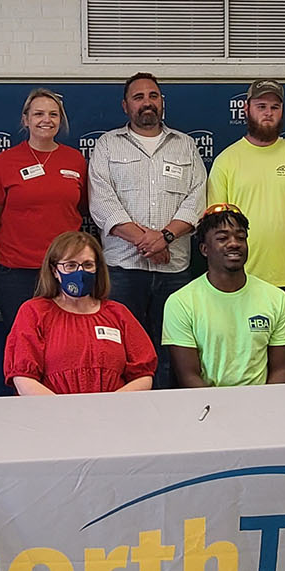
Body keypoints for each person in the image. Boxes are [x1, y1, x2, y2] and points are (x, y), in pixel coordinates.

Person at [87, 73, 207, 388]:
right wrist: (150, 243)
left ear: (162, 102)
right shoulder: (107, 145)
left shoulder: (185, 145)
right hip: (123, 271)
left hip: (174, 271)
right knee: (122, 351)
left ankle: (174, 424)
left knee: (175, 352)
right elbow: (103, 205)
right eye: (138, 97)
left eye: (153, 96)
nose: (147, 103)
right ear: (126, 105)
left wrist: (165, 237)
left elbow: (196, 201)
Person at [206, 79, 285, 372]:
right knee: (239, 363)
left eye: (274, 107)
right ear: (247, 109)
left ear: (282, 111)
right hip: (238, 282)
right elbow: (216, 228)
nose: (268, 113)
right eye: (261, 106)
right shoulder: (226, 161)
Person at [0, 89, 88, 330]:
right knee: (23, 337)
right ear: (25, 119)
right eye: (38, 113)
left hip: (66, 267)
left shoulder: (75, 160)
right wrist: (12, 246)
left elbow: (81, 207)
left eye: (53, 114)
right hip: (17, 271)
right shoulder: (5, 162)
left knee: (67, 335)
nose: (46, 120)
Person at [3, 231, 156, 395]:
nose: (80, 272)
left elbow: (144, 376)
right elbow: (23, 378)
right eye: (70, 265)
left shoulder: (118, 313)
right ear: (55, 271)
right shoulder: (34, 312)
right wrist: (65, 413)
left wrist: (110, 407)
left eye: (88, 265)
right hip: (52, 414)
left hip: (113, 414)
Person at [163, 204, 285, 388]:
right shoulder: (181, 302)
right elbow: (188, 377)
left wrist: (266, 410)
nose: (234, 243)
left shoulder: (276, 298)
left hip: (262, 407)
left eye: (241, 237)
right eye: (223, 238)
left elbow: (281, 371)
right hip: (208, 409)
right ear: (204, 249)